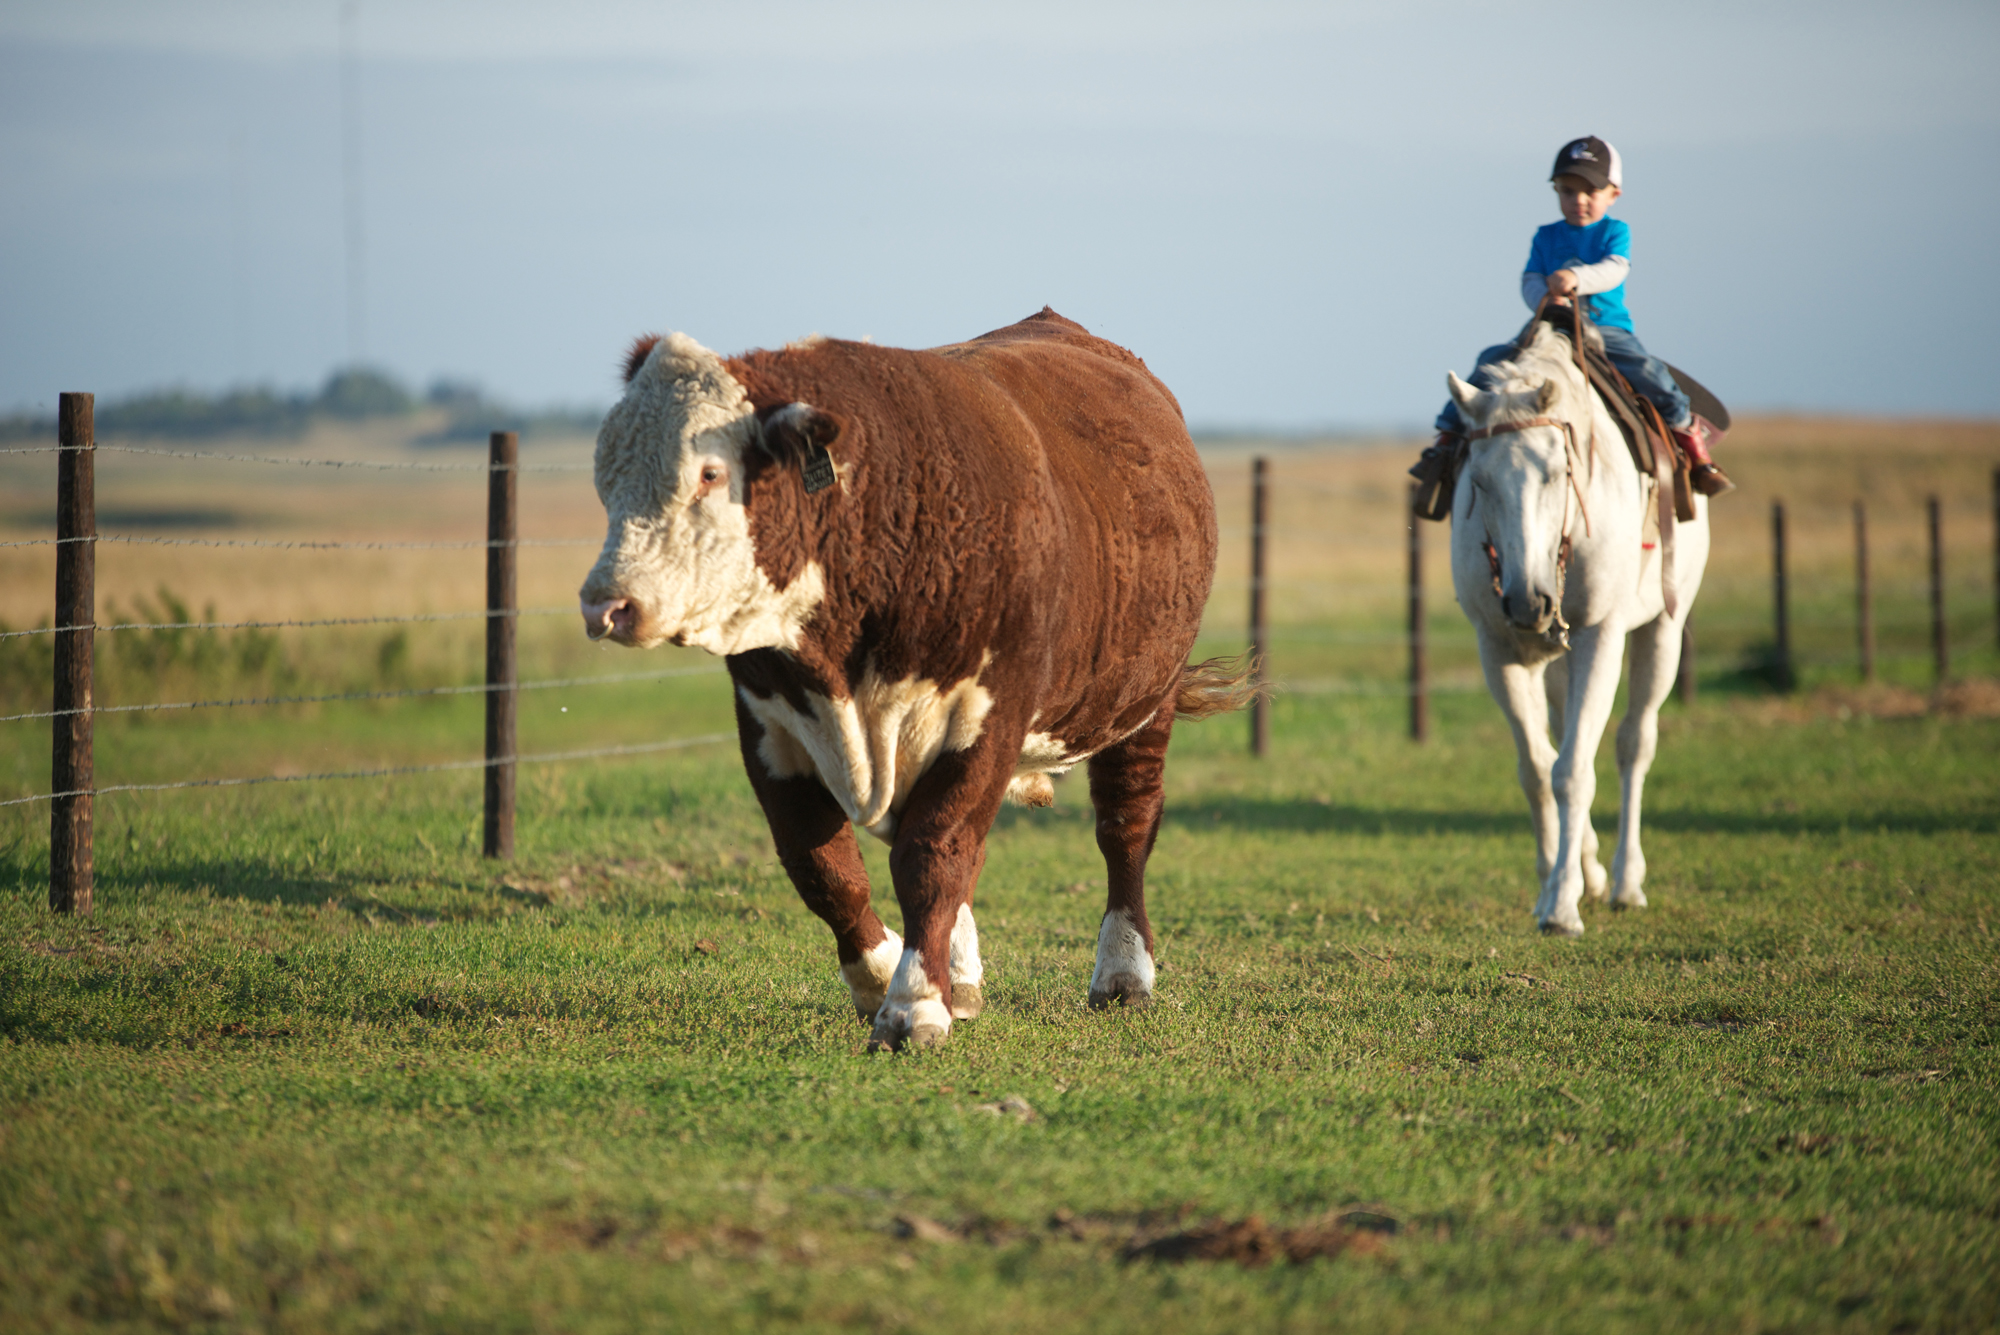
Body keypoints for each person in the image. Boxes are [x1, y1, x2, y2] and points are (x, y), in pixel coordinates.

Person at [1418, 135, 1734, 501]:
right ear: (1556, 192)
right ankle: (1445, 441)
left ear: (1613, 194)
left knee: (1647, 372)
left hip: (1604, 327)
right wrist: (1545, 299)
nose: (1578, 200)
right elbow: (1530, 278)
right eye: (1568, 191)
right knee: (1490, 362)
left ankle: (1691, 445)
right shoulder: (1546, 236)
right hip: (1549, 324)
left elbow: (1615, 269)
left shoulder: (1615, 232)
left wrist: (1576, 279)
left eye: (1590, 192)